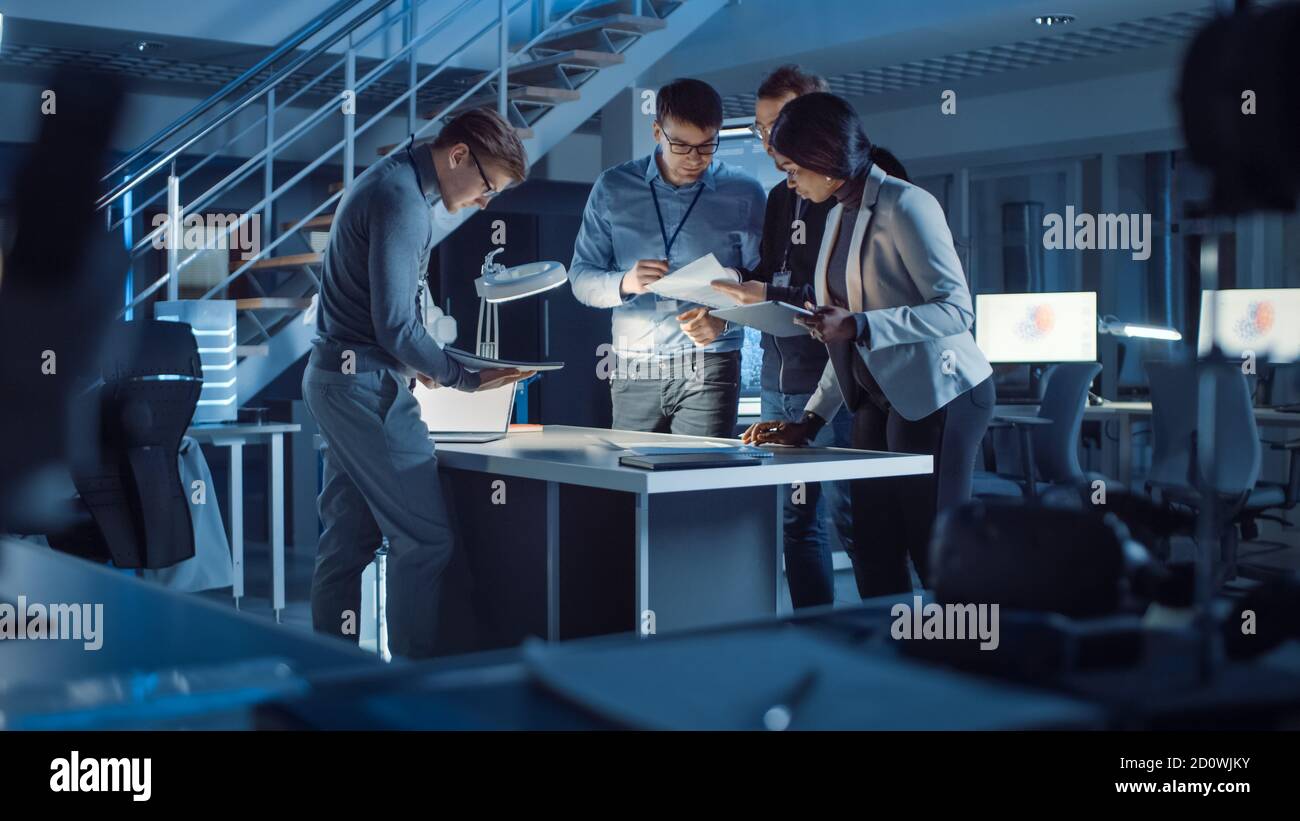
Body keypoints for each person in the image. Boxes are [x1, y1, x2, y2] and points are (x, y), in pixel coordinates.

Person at [741, 93, 994, 599]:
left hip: (942, 393)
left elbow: (956, 311)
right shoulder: (839, 214)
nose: (790, 182)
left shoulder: (907, 204)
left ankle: (962, 644)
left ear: (823, 159)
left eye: (793, 169)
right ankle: (888, 643)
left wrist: (859, 324)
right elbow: (844, 336)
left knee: (932, 547)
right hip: (878, 396)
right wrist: (810, 420)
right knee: (873, 544)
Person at [302, 108, 534, 658]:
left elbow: (391, 323)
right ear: (459, 155)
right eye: (487, 187)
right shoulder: (402, 202)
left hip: (336, 378)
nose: (485, 203)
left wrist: (432, 362)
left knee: (347, 542)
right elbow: (396, 326)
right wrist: (463, 377)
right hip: (365, 390)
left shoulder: (392, 180)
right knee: (426, 541)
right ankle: (414, 681)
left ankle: (329, 672)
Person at [707, 65, 853, 609]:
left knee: (854, 515)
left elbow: (838, 294)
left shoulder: (847, 193)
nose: (770, 141)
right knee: (796, 521)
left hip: (838, 380)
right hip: (779, 378)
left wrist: (766, 289)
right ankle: (818, 633)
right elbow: (772, 273)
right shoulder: (778, 196)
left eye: (779, 125)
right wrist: (729, 298)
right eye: (763, 128)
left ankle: (879, 639)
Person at [570, 78, 766, 436]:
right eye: (681, 145)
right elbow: (580, 278)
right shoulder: (613, 187)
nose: (694, 158)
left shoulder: (745, 193)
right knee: (634, 469)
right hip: (634, 364)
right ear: (657, 131)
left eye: (707, 146)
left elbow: (764, 281)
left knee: (700, 469)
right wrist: (625, 282)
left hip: (710, 360)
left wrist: (724, 321)